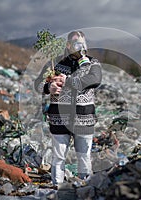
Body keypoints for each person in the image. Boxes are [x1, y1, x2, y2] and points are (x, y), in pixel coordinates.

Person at [34, 31, 102, 188]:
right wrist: (48, 87)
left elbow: (94, 80)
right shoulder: (55, 62)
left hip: (83, 118)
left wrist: (69, 80)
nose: (81, 45)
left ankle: (84, 188)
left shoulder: (93, 63)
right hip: (59, 117)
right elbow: (37, 83)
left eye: (83, 42)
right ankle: (57, 187)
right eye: (76, 42)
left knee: (84, 155)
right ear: (68, 45)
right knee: (58, 156)